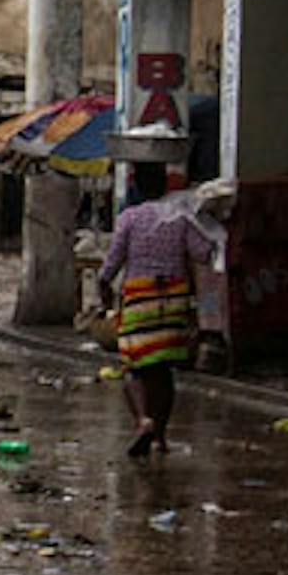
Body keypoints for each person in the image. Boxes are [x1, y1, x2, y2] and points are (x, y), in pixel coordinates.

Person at [99, 159, 214, 458]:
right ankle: (160, 437)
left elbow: (112, 263)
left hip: (139, 300)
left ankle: (144, 420)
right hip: (172, 301)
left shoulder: (129, 218)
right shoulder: (180, 219)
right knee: (163, 372)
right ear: (165, 185)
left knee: (134, 367)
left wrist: (104, 294)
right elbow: (204, 253)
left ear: (137, 186)